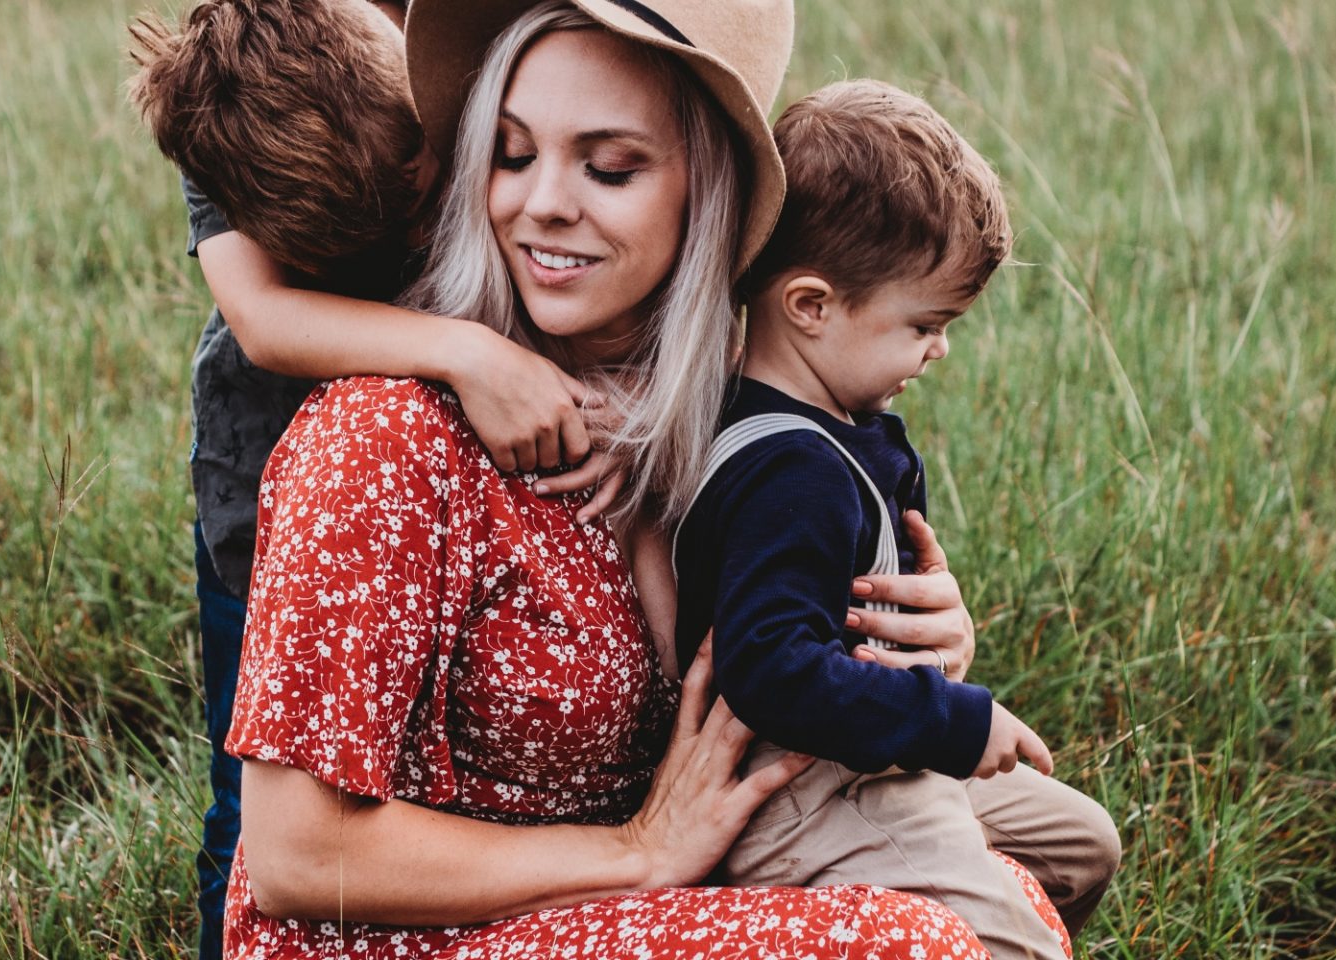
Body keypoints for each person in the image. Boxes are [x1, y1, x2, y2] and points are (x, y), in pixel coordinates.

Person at [217, 1, 1065, 957]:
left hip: (606, 908)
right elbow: (296, 857)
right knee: (924, 945)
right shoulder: (384, 436)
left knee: (1013, 891)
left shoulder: (721, 431)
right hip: (410, 937)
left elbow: (777, 669)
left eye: (610, 167)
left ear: (711, 194)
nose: (542, 202)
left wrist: (910, 641)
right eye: (510, 153)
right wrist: (636, 852)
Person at [127, 2, 616, 953]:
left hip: (453, 487)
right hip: (268, 479)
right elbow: (265, 319)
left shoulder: (451, 40)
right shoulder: (233, 88)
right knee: (258, 787)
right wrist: (468, 355)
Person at [671, 80, 1120, 958]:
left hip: (866, 752)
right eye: (924, 324)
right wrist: (953, 720)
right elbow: (771, 670)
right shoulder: (788, 468)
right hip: (804, 789)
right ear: (811, 306)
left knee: (1082, 845)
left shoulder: (838, 427)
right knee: (1009, 943)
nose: (940, 348)